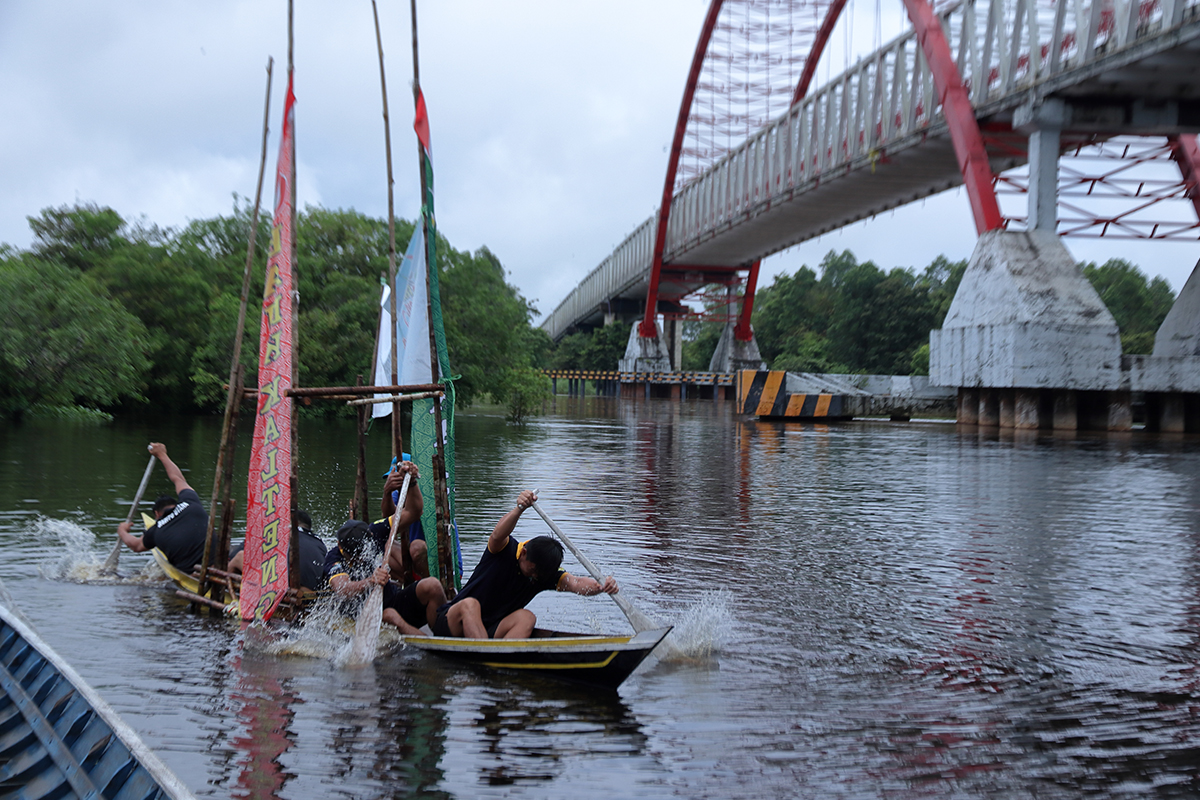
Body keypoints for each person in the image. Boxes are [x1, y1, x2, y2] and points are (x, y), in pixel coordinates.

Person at [432, 489, 618, 639]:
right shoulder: (505, 549)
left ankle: (501, 661)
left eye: (540, 574)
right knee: (470, 605)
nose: (535, 576)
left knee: (527, 617)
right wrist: (519, 508)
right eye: (534, 570)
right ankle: (487, 664)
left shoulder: (543, 573)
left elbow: (576, 583)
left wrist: (602, 586)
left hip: (490, 630)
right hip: (453, 623)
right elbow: (497, 534)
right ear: (525, 553)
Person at [322, 520, 446, 636]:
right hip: (364, 613)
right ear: (339, 545)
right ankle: (432, 645)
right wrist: (370, 581)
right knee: (390, 615)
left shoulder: (374, 532)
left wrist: (395, 495)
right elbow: (342, 588)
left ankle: (444, 634)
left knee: (432, 585)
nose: (360, 559)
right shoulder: (334, 558)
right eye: (355, 556)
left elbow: (412, 511)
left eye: (361, 554)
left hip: (390, 601)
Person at [116, 442, 212, 572]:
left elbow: (136, 546)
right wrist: (162, 455)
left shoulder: (156, 531)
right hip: (215, 565)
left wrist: (122, 531)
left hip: (191, 573)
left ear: (157, 514)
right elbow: (178, 479)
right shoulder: (190, 502)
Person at [228, 510, 328, 592]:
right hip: (311, 594)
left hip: (289, 590)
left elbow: (233, 555)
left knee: (239, 557)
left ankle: (223, 590)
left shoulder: (283, 534)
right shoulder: (319, 543)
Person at [379, 456, 428, 580]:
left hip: (431, 557)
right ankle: (406, 582)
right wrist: (387, 492)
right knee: (378, 544)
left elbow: (414, 512)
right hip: (412, 559)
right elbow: (388, 522)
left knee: (417, 546)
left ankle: (425, 581)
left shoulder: (426, 493)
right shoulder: (397, 493)